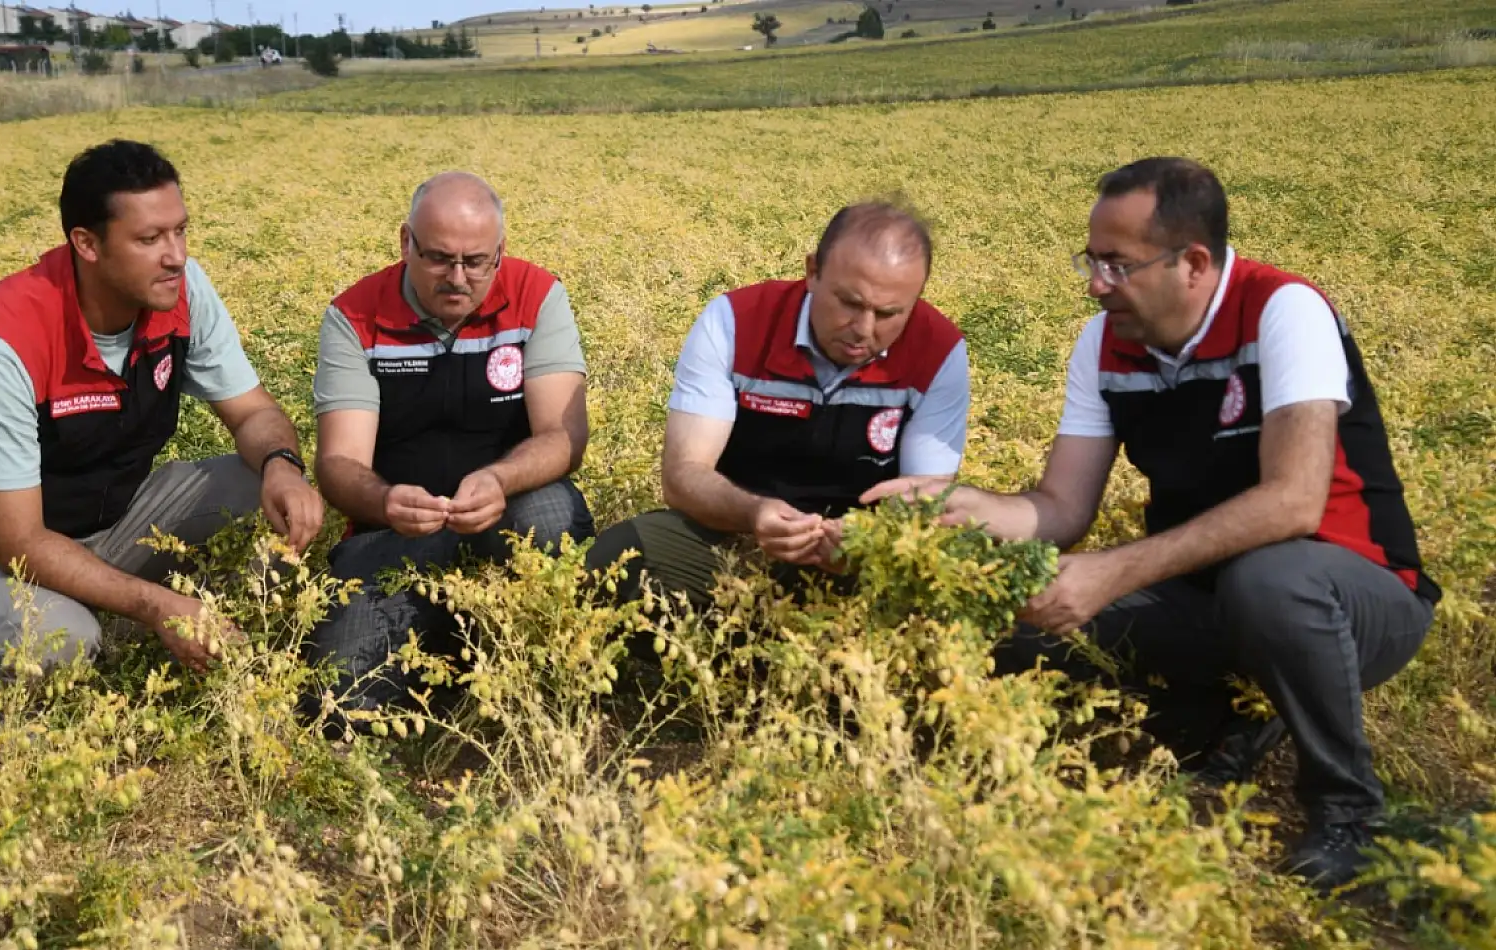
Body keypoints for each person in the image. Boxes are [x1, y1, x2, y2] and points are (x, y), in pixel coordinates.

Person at [942, 157, 1437, 890]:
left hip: (1353, 597)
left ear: (1194, 263)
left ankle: (1347, 812)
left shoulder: (1283, 312)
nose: (1095, 284)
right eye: (1091, 260)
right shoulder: (1103, 345)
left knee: (1268, 579)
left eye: (1116, 265)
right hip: (1208, 599)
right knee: (1017, 625)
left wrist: (1115, 571)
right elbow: (1062, 509)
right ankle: (1227, 716)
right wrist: (965, 508)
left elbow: (1295, 502)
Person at [0, 139, 324, 684]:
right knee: (58, 645)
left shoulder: (179, 289)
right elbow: (16, 541)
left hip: (112, 523)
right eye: (149, 239)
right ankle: (16, 741)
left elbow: (254, 414)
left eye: (180, 230)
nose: (175, 255)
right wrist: (157, 605)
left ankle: (226, 643)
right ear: (86, 244)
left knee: (268, 489)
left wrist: (282, 466)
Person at [306, 171, 593, 714]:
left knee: (552, 513)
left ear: (500, 253)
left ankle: (507, 652)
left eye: (475, 261)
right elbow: (340, 462)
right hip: (395, 535)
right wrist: (386, 502)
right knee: (340, 699)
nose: (457, 277)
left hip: (507, 514)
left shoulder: (537, 296)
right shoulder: (355, 316)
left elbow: (564, 437)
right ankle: (448, 644)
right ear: (404, 243)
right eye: (438, 258)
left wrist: (500, 479)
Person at [584, 201, 969, 603]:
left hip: (863, 558)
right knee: (623, 558)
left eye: (889, 313)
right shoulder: (736, 322)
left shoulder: (939, 351)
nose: (863, 329)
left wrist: (869, 544)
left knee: (969, 588)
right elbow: (683, 477)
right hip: (735, 535)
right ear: (812, 272)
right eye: (849, 303)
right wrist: (754, 514)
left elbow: (926, 499)